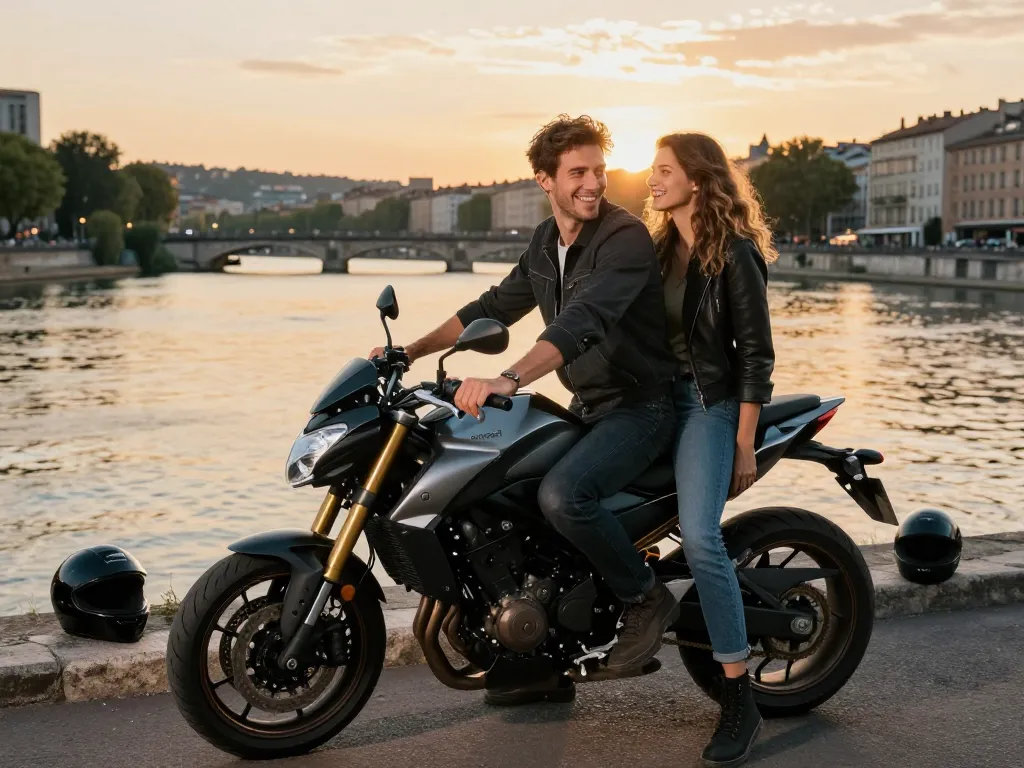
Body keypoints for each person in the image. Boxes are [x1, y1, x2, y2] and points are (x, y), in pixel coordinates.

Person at [370, 115, 680, 705]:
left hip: (640, 409)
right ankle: (537, 655)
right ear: (546, 181)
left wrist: (508, 378)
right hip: (588, 405)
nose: (594, 183)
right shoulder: (545, 242)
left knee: (563, 496)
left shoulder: (624, 238)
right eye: (578, 173)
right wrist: (408, 351)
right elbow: (494, 305)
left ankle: (644, 596)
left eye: (599, 170)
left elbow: (582, 321)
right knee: (499, 492)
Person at [645, 132, 777, 767]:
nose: (652, 179)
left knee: (699, 537)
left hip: (707, 406)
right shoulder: (658, 248)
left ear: (697, 180)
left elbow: (755, 355)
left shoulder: (735, 254)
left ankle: (737, 698)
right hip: (650, 404)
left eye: (664, 169)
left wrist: (744, 440)